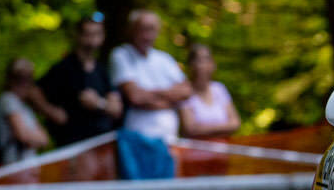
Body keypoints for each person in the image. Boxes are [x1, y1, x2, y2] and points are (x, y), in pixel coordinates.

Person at [37, 12, 123, 147]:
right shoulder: (63, 68)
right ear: (78, 35)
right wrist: (51, 112)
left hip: (101, 142)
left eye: (97, 34)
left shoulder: (102, 70)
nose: (92, 39)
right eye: (88, 34)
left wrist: (99, 103)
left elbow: (116, 109)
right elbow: (33, 90)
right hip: (73, 142)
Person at [109, 9, 191, 141]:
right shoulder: (121, 55)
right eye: (142, 29)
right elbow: (135, 96)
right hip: (137, 137)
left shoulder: (165, 59)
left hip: (169, 138)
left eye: (152, 29)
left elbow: (186, 91)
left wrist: (149, 95)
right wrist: (171, 100)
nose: (147, 35)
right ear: (132, 30)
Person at [0, 58, 51, 165]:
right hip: (14, 164)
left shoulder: (24, 106)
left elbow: (45, 139)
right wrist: (33, 137)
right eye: (19, 79)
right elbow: (23, 135)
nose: (25, 84)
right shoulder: (7, 99)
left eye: (28, 79)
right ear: (11, 79)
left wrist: (32, 138)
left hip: (28, 164)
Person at [178, 43, 241, 138]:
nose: (203, 65)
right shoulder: (184, 91)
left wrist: (204, 128)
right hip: (195, 147)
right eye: (198, 60)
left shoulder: (219, 89)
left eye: (207, 59)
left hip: (223, 146)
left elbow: (235, 123)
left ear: (213, 64)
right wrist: (224, 127)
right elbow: (190, 129)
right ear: (191, 65)